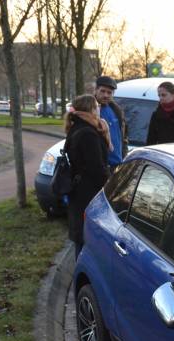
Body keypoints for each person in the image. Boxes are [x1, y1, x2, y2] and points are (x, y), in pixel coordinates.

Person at [64, 94, 112, 258]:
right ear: (90, 109)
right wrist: (109, 185)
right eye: (96, 106)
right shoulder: (88, 133)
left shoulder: (76, 127)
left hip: (79, 189)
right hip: (89, 192)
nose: (99, 109)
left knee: (81, 233)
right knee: (86, 235)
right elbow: (96, 167)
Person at [94, 76, 127, 170]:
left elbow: (123, 137)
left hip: (118, 164)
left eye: (109, 92)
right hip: (100, 166)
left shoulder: (116, 110)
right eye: (103, 91)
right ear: (96, 90)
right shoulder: (89, 110)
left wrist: (124, 156)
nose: (106, 95)